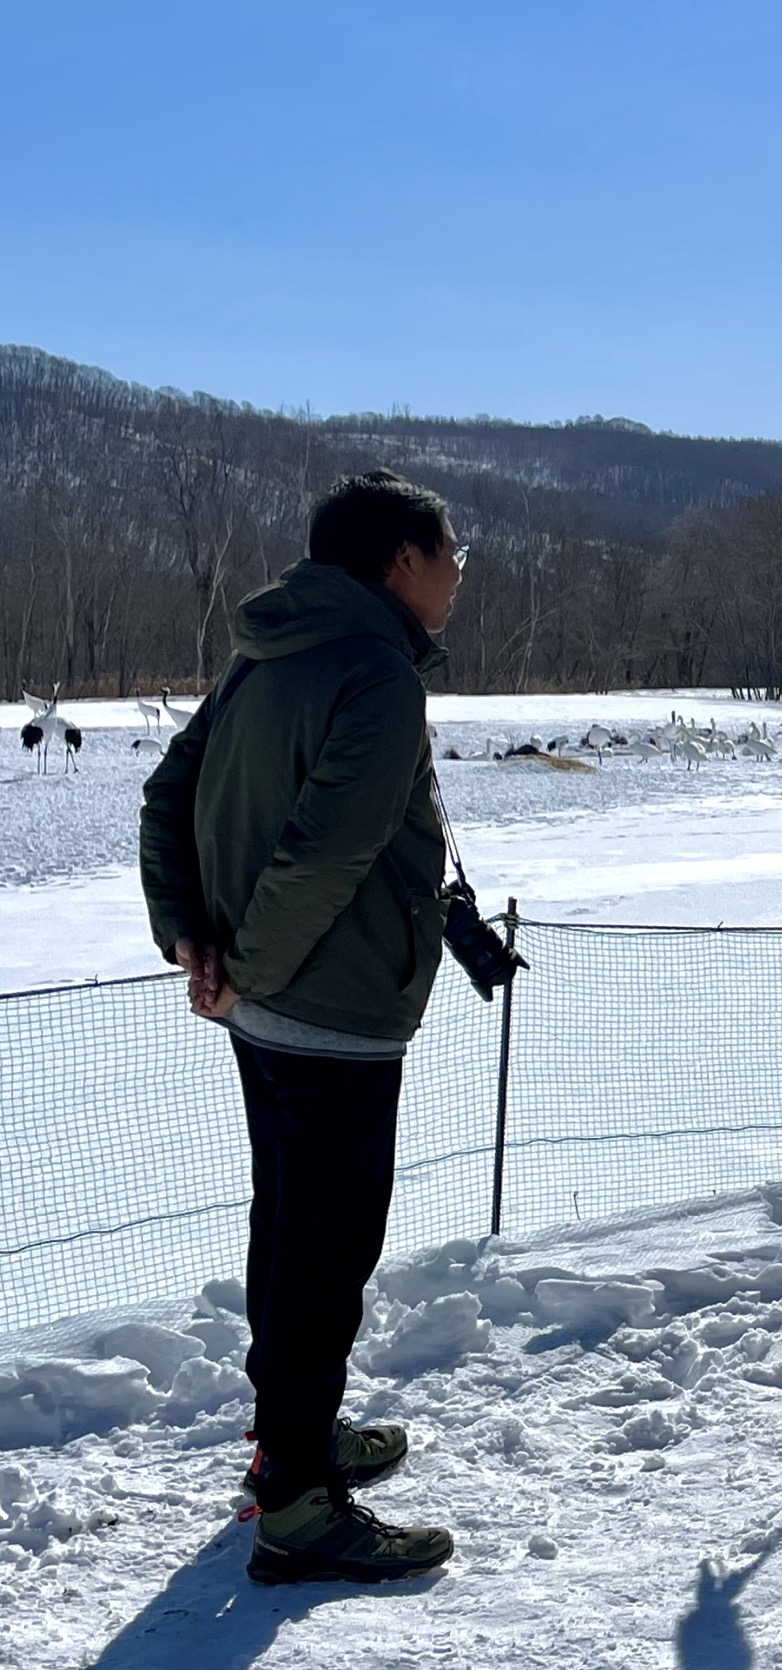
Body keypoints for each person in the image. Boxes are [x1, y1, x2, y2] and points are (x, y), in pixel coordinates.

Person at [138, 469, 468, 1586]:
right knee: (325, 1250)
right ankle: (296, 1511)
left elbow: (163, 796)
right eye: (450, 552)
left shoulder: (266, 650)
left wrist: (195, 940)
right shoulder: (373, 671)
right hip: (325, 1012)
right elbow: (332, 849)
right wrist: (248, 971)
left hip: (266, 1008)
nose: (458, 573)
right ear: (398, 564)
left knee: (288, 1228)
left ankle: (294, 1440)